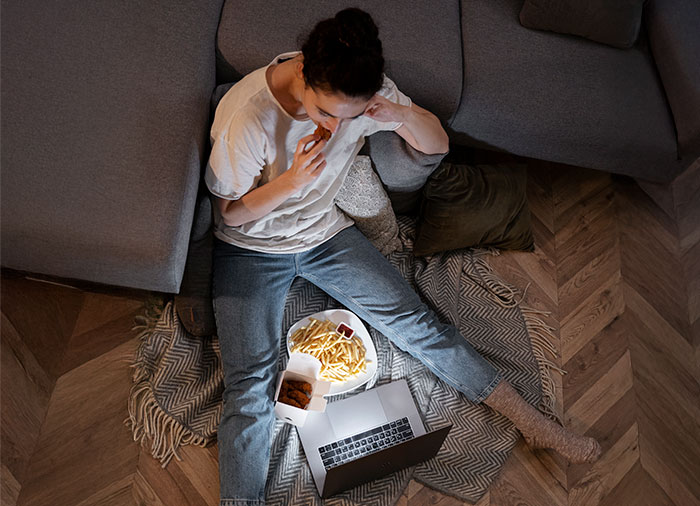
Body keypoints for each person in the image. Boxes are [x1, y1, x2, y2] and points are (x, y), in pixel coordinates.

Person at [207, 8, 601, 506]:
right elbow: (231, 215)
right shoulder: (248, 117)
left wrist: (400, 116)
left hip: (324, 234)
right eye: (324, 112)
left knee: (420, 325)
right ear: (303, 72)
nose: (334, 128)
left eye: (347, 117)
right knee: (252, 385)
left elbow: (435, 147)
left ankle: (533, 422)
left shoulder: (365, 94)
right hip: (253, 247)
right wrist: (290, 184)